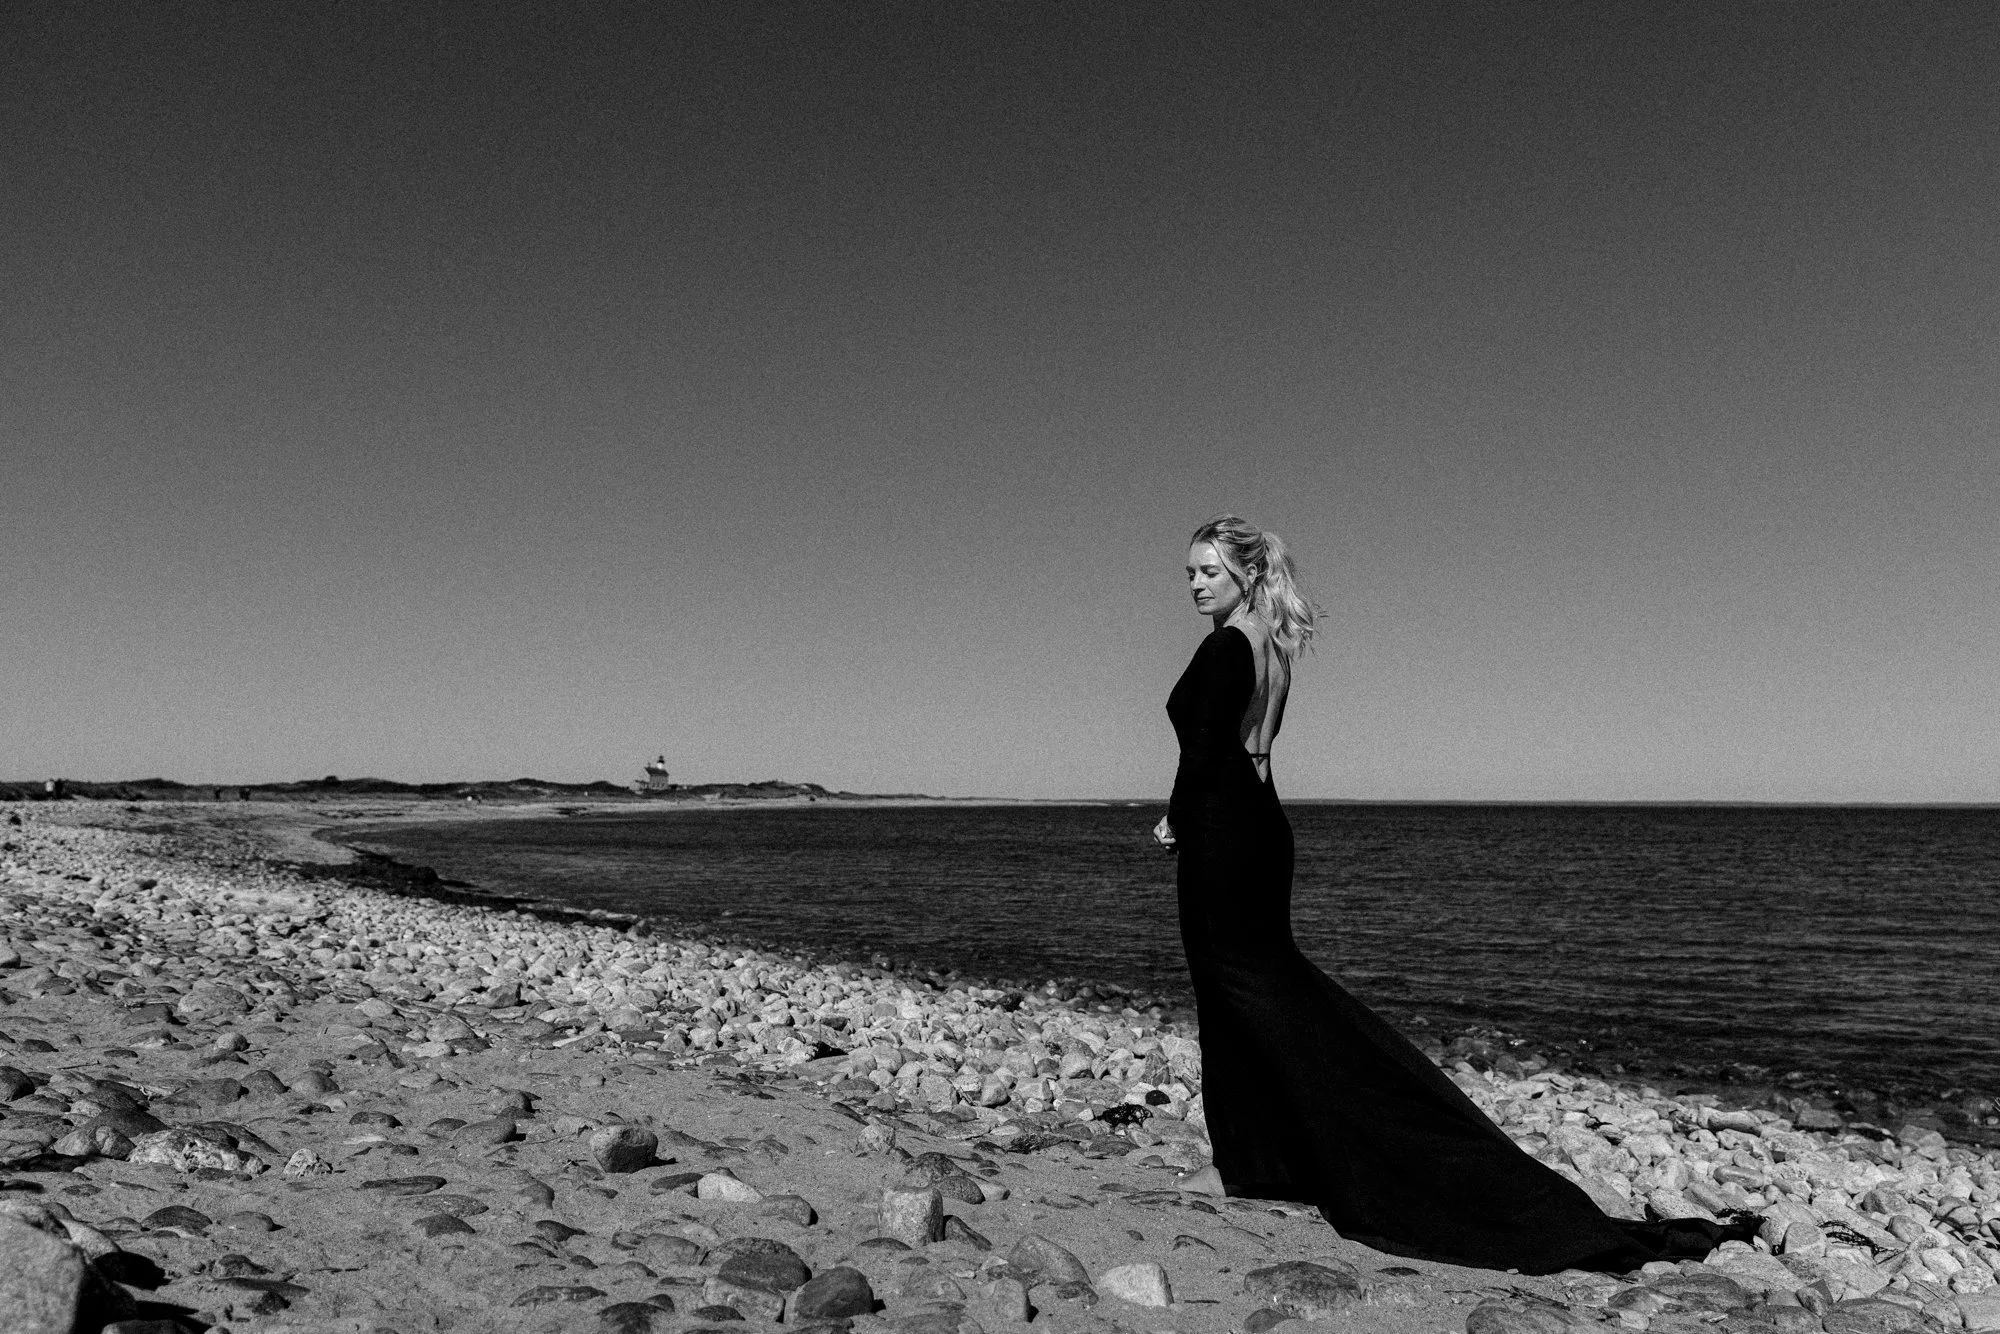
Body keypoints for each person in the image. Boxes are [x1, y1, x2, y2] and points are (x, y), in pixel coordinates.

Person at [1155, 514, 1749, 1274]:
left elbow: (1206, 749)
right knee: (1262, 991)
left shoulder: (1228, 644)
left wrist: (1179, 813)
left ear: (1244, 574)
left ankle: (1252, 1163)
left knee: (1238, 991)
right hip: (1260, 830)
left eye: (1207, 571)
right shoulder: (1272, 648)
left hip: (1226, 833)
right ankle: (1259, 1159)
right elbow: (1254, 755)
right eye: (1190, 573)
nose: (1195, 584)